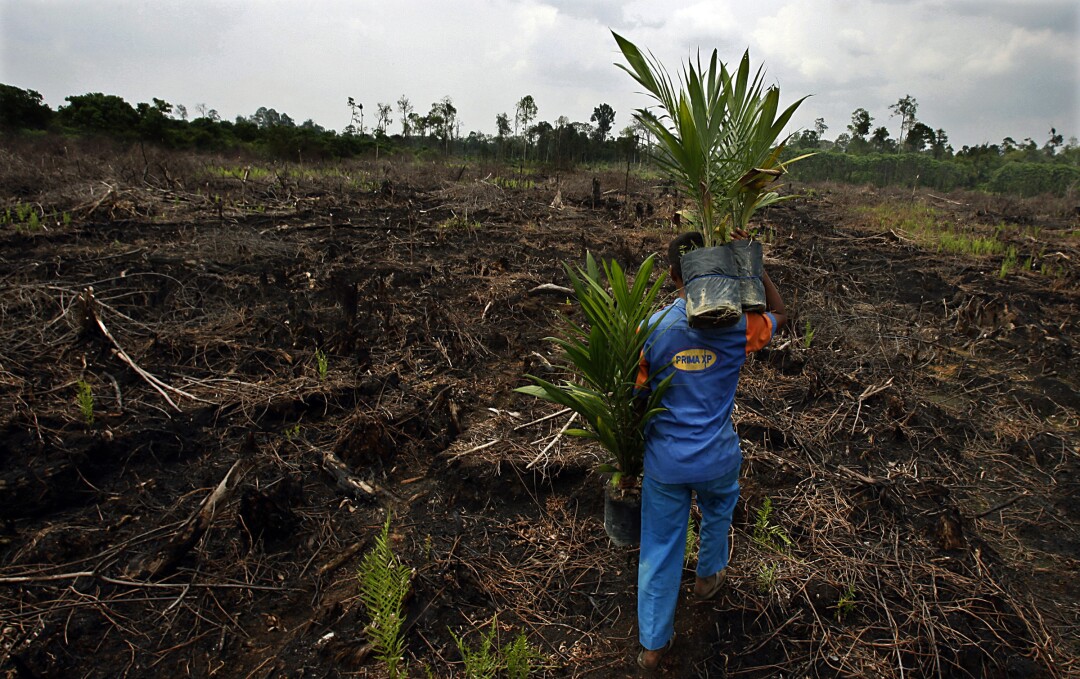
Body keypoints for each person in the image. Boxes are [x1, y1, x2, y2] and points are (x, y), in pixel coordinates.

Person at [634, 230, 787, 671]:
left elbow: (635, 393)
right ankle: (705, 580)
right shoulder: (740, 325)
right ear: (717, 265)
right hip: (718, 457)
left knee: (660, 548)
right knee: (718, 514)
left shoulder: (655, 328)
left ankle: (652, 647)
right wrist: (752, 269)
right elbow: (780, 312)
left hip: (666, 463)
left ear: (672, 275)